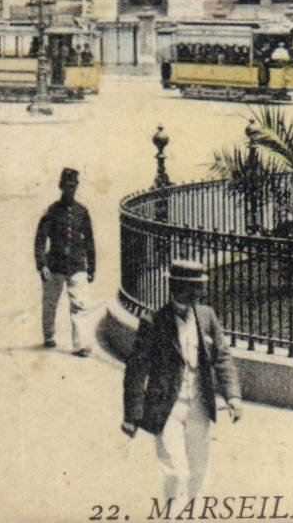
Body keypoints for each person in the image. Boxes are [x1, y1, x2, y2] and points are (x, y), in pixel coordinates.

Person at [122, 258, 242, 506]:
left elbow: (222, 357)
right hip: (168, 408)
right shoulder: (154, 322)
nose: (201, 293)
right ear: (178, 287)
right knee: (175, 473)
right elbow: (136, 369)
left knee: (199, 472)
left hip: (200, 405)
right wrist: (132, 415)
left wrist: (233, 396)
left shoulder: (207, 316)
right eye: (196, 287)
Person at [34, 166, 95, 356]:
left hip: (77, 265)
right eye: (68, 186)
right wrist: (42, 264)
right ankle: (49, 335)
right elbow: (40, 239)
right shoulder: (52, 211)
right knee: (50, 303)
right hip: (55, 266)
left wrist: (91, 267)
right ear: (61, 186)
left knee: (80, 305)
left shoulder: (82, 212)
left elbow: (89, 241)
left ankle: (81, 345)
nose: (71, 190)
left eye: (74, 186)